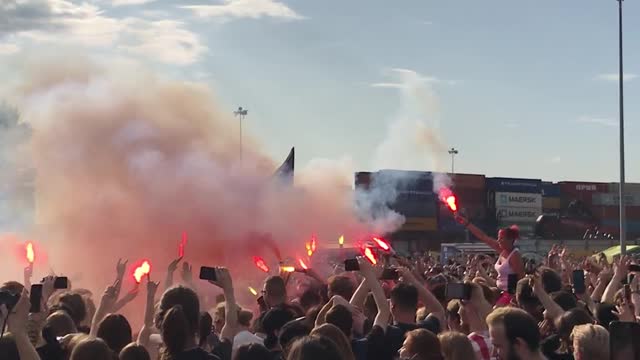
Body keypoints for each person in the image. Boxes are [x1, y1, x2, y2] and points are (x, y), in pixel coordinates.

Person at [457, 214, 525, 305]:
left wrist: (514, 298)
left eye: (501, 238)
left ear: (510, 240)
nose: (498, 241)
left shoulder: (515, 255)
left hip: (509, 294)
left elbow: (520, 278)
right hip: (497, 289)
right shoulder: (502, 250)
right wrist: (467, 224)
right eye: (498, 238)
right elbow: (483, 237)